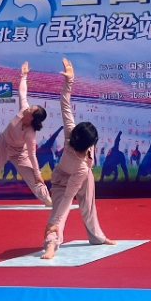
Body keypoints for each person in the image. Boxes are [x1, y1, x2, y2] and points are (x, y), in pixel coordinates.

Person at [40, 59, 115, 260]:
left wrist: (70, 80)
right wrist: (56, 222)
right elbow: (67, 199)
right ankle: (51, 244)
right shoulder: (75, 151)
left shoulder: (73, 136)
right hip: (63, 180)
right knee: (59, 212)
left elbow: (65, 103)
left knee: (89, 207)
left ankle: (97, 237)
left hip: (83, 176)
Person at [0, 62, 52, 207]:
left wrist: (38, 174)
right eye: (30, 107)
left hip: (19, 152)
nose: (27, 108)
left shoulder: (30, 134)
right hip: (2, 144)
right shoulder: (23, 110)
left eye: (30, 110)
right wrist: (23, 76)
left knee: (33, 175)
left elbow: (32, 155)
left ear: (32, 118)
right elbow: (22, 93)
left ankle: (46, 198)